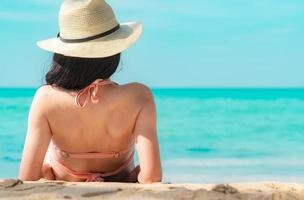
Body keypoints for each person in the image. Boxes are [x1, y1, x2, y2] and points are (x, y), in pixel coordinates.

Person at [19, 0, 162, 183]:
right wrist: (132, 179)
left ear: (63, 54)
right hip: (120, 179)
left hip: (66, 180)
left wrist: (48, 176)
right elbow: (151, 177)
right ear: (114, 52)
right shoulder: (139, 96)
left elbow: (27, 176)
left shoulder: (45, 98)